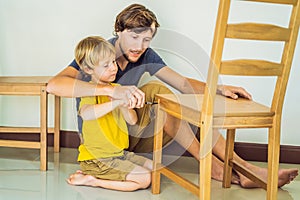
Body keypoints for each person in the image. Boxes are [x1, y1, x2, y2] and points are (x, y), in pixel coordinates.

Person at [48, 4, 298, 188]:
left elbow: (182, 82)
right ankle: (220, 169)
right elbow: (54, 84)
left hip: (127, 130)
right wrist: (111, 90)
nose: (140, 45)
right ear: (118, 31)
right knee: (157, 92)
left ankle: (244, 168)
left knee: (175, 99)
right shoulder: (99, 54)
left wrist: (218, 89)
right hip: (101, 137)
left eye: (146, 39)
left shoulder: (146, 55)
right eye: (134, 37)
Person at [66, 36, 153, 191]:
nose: (114, 68)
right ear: (88, 69)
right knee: (144, 178)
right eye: (106, 65)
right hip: (97, 159)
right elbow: (86, 114)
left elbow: (132, 121)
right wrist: (116, 102)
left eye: (113, 62)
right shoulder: (89, 90)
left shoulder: (117, 87)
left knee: (155, 168)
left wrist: (125, 105)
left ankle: (99, 176)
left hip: (119, 153)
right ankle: (93, 180)